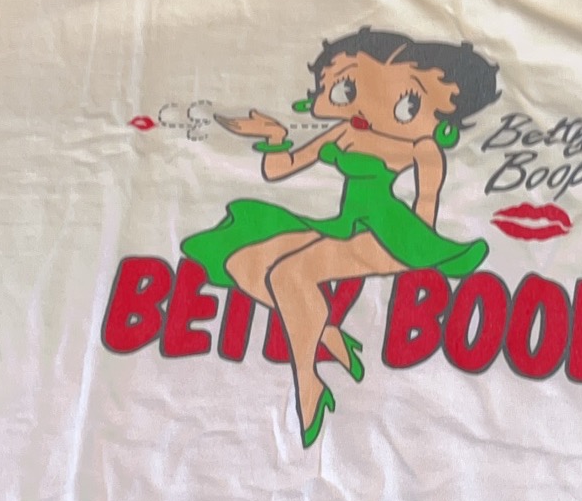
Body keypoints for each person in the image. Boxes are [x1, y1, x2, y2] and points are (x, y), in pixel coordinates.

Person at [182, 28, 501, 446]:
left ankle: (309, 383)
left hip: (393, 234)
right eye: (349, 88)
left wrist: (417, 251)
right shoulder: (347, 133)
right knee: (242, 263)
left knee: (287, 274)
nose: (370, 106)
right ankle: (327, 332)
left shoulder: (423, 150)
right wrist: (274, 136)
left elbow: (426, 206)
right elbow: (279, 170)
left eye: (409, 102)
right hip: (347, 224)